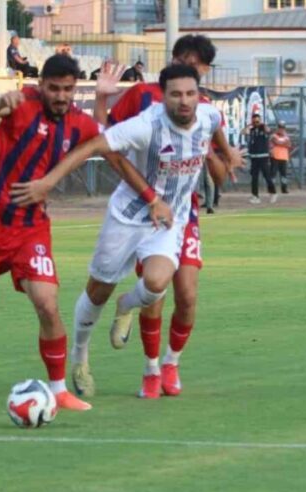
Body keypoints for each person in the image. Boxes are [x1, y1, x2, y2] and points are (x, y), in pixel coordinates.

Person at [0, 54, 147, 413]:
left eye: (68, 89)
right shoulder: (21, 104)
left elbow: (106, 142)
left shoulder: (79, 124)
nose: (62, 96)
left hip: (31, 229)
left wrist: (101, 100)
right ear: (42, 86)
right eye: (54, 88)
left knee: (48, 304)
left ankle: (58, 389)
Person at [12, 63, 225, 400]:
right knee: (98, 291)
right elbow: (94, 145)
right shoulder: (146, 126)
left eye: (190, 93)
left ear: (199, 94)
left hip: (170, 220)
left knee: (157, 283)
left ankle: (127, 305)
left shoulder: (209, 116)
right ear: (162, 97)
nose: (184, 101)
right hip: (126, 218)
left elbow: (215, 133)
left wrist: (229, 155)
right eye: (176, 95)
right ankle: (80, 356)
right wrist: (49, 182)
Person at [87, 34, 241, 399]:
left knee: (187, 295)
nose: (199, 73)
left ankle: (172, 361)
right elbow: (105, 134)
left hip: (184, 213)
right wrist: (101, 98)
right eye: (197, 64)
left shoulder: (201, 108)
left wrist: (225, 157)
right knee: (154, 294)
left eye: (202, 68)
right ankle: (151, 368)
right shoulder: (143, 97)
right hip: (144, 214)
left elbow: (219, 168)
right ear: (179, 60)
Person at [243, 113, 276, 204]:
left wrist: (262, 124)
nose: (256, 123)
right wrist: (249, 125)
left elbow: (268, 130)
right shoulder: (252, 130)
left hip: (263, 156)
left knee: (267, 176)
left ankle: (272, 192)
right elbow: (244, 132)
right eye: (254, 121)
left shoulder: (263, 129)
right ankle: (255, 196)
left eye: (257, 121)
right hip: (254, 157)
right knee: (254, 177)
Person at [269, 120, 291, 194]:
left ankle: (284, 188)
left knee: (283, 174)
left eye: (283, 127)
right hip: (275, 156)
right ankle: (272, 188)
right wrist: (283, 143)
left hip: (284, 157)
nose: (281, 129)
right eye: (280, 127)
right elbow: (276, 142)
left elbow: (289, 145)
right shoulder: (273, 135)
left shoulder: (286, 136)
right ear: (277, 127)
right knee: (273, 174)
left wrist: (281, 143)